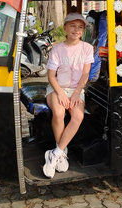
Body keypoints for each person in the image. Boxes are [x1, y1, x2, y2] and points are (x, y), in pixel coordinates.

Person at [43, 12, 94, 178]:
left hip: (76, 89)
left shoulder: (87, 48)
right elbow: (51, 76)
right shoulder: (57, 49)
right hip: (57, 87)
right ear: (65, 28)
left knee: (77, 116)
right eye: (72, 26)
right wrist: (61, 94)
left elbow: (85, 74)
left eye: (80, 27)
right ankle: (62, 152)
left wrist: (76, 93)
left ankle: (55, 153)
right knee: (59, 112)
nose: (76, 30)